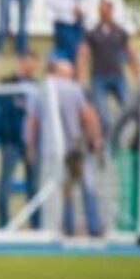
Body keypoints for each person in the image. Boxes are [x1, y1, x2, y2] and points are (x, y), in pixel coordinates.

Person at [25, 59, 104, 237]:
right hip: (75, 145)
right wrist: (95, 138)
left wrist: (29, 146)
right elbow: (87, 116)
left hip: (50, 149)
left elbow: (32, 121)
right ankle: (94, 226)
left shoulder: (38, 91)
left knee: (63, 187)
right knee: (86, 184)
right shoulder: (74, 89)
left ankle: (67, 227)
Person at [0, 53, 40, 228]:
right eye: (27, 63)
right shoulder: (6, 83)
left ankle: (36, 225)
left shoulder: (35, 86)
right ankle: (3, 224)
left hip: (30, 142)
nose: (30, 67)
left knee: (33, 186)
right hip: (10, 140)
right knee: (5, 183)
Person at [79, 0, 140, 135]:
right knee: (103, 116)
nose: (103, 13)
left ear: (111, 11)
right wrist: (81, 78)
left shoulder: (121, 32)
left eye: (106, 10)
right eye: (101, 10)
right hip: (98, 78)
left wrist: (138, 74)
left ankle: (126, 139)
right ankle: (107, 145)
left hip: (118, 76)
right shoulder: (91, 33)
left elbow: (131, 54)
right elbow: (83, 54)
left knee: (129, 108)